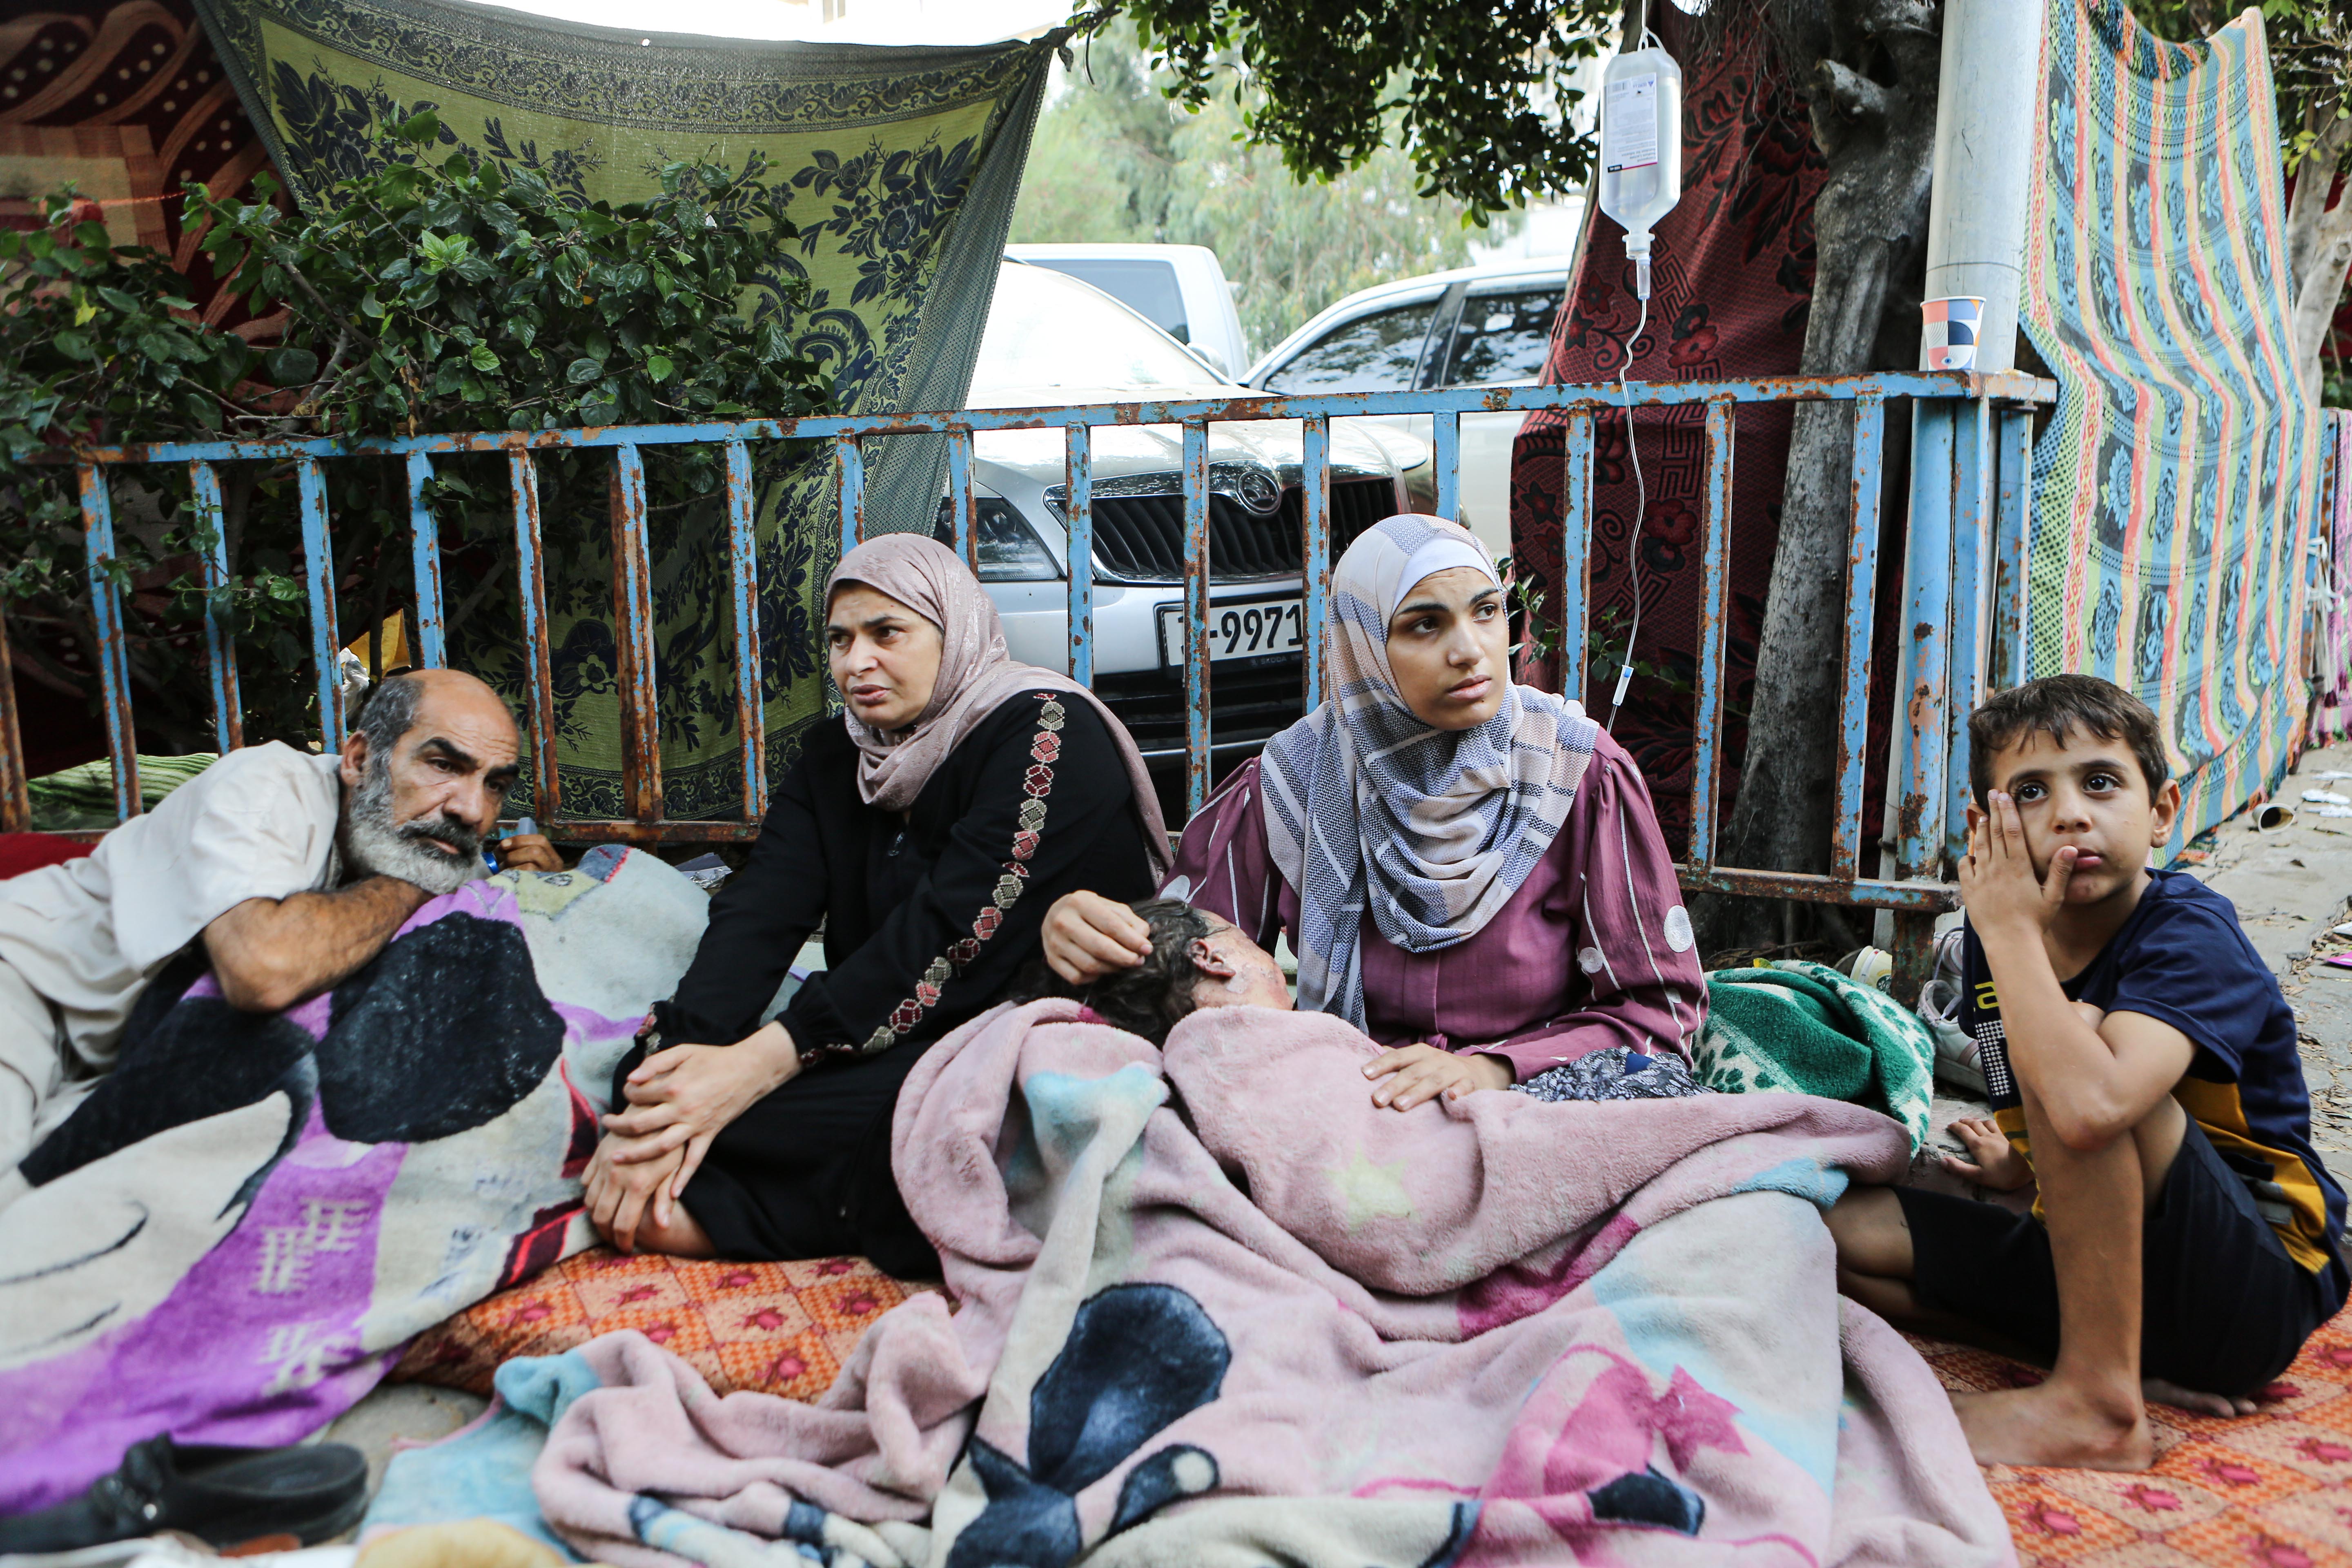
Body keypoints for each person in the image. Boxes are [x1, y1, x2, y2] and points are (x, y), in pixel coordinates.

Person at [588, 535, 1168, 1272]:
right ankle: (713, 1182)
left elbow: (952, 931)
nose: (856, 662)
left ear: (953, 629)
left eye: (887, 633)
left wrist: (763, 1061)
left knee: (881, 1117)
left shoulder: (1047, 728)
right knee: (648, 1088)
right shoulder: (841, 754)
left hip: (1033, 1040)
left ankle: (742, 1209)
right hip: (890, 1037)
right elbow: (760, 911)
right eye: (840, 640)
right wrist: (676, 1063)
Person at [1827, 675, 2348, 1470]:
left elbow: (2091, 1107)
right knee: (1835, 1237)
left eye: (2101, 782)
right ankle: (2123, 1364)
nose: (2071, 813)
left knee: (2075, 1047)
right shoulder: (1996, 943)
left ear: (2162, 811)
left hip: (2252, 1283)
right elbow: (2022, 1082)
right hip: (2107, 1277)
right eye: (2032, 792)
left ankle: (2095, 1405)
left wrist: (2010, 934)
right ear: (1989, 828)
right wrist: (2021, 1164)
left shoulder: (2190, 934)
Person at [1042, 513, 1705, 1112]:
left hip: (1533, 1108)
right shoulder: (1293, 784)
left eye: (1486, 612)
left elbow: (1660, 1010)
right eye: (1424, 625)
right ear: (1362, 645)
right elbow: (1182, 969)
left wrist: (1491, 1071)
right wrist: (1088, 937)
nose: (1470, 650)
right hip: (1347, 1114)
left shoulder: (1578, 775)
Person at [0, 667, 557, 1177]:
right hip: (29, 988)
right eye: (443, 766)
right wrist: (417, 882)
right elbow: (263, 968)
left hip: (119, 1065)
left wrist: (543, 896)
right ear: (360, 759)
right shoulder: (265, 785)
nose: (471, 810)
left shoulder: (433, 852)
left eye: (494, 785)